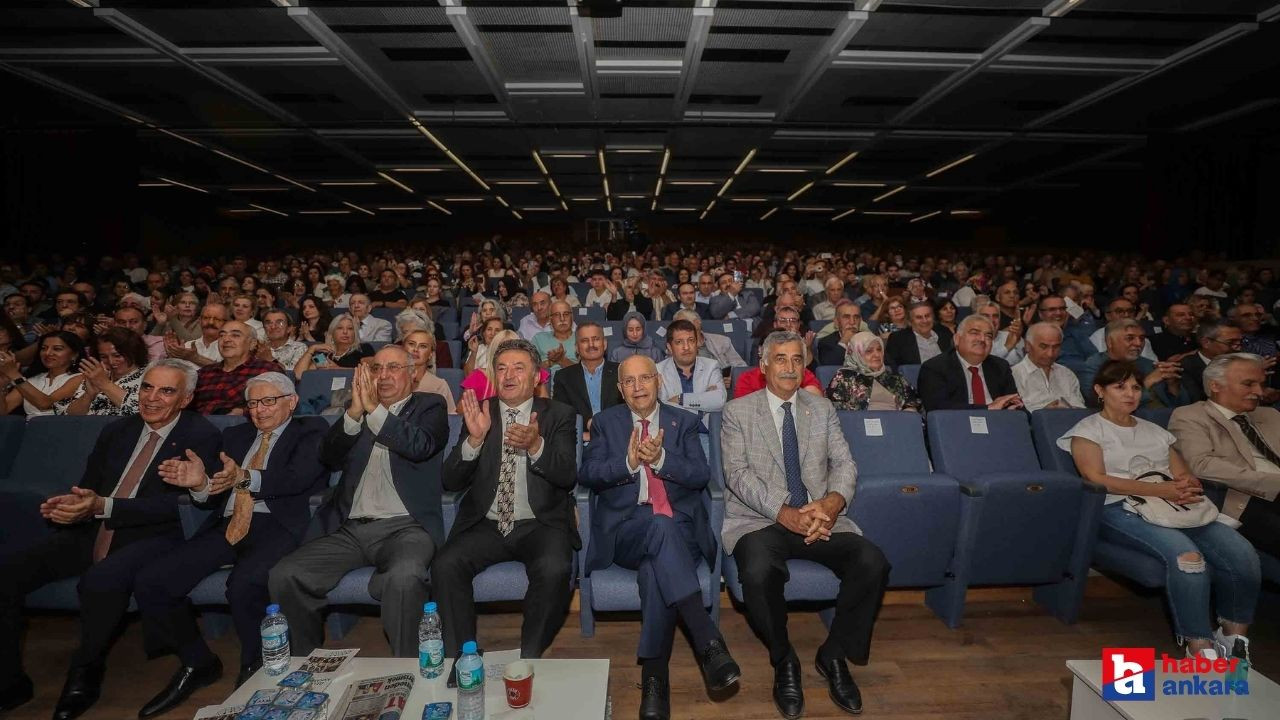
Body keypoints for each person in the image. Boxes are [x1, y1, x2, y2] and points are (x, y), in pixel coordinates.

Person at [0, 360, 219, 718]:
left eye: (166, 391)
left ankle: (85, 671)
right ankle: (10, 682)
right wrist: (75, 503)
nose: (152, 398)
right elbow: (90, 485)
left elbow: (177, 506)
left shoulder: (201, 435)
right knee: (6, 571)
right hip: (95, 526)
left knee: (100, 580)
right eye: (147, 387)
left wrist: (103, 506)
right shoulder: (117, 430)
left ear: (186, 399)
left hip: (156, 534)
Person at [133, 373, 330, 716]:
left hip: (277, 524)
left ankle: (255, 666)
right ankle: (197, 661)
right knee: (153, 580)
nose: (260, 410)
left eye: (269, 401)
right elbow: (213, 486)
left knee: (245, 584)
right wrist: (200, 484)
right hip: (227, 523)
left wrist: (244, 477)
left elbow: (297, 478)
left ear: (291, 402)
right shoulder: (235, 435)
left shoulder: (310, 431)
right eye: (253, 403)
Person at [721, 330, 888, 719]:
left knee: (872, 561)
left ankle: (833, 654)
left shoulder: (823, 410)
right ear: (763, 366)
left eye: (797, 359)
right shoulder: (738, 412)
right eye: (780, 359)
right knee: (759, 570)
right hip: (761, 520)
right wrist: (784, 513)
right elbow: (737, 474)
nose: (789, 367)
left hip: (818, 517)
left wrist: (830, 504)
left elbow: (845, 465)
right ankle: (784, 659)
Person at [1060, 359, 1259, 662]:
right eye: (1120, 387)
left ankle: (1233, 637)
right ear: (1100, 391)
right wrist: (1161, 490)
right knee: (1188, 559)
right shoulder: (1087, 431)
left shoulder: (1155, 431)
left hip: (1171, 506)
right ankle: (1198, 645)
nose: (1130, 394)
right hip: (1117, 509)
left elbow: (1181, 474)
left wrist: (1187, 486)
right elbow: (1097, 480)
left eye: (1136, 387)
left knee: (1242, 553)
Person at [579, 355, 740, 720]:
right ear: (620, 389)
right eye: (630, 381)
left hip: (681, 529)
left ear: (658, 382)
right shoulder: (606, 423)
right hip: (627, 530)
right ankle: (706, 639)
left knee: (656, 569)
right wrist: (629, 464)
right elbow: (587, 472)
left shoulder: (683, 422)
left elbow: (701, 475)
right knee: (658, 526)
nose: (638, 387)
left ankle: (655, 678)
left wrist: (663, 458)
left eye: (645, 378)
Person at [268, 348, 450, 658]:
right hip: (349, 528)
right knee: (285, 574)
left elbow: (420, 446)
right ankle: (304, 661)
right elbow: (328, 456)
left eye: (393, 367)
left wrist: (376, 411)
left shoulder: (430, 406)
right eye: (377, 368)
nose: (384, 375)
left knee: (404, 578)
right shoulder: (356, 411)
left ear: (413, 374)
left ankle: (406, 666)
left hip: (406, 527)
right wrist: (353, 413)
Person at [435, 339, 579, 658]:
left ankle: (529, 654)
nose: (509, 375)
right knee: (445, 564)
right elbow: (450, 479)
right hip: (486, 523)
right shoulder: (480, 413)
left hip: (539, 522)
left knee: (555, 568)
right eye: (501, 368)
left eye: (518, 368)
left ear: (537, 376)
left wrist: (536, 446)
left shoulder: (559, 415)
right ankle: (461, 658)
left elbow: (567, 474)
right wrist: (474, 439)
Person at [1171, 353, 1280, 559]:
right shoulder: (1190, 416)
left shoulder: (1270, 415)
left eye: (1260, 384)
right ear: (1215, 386)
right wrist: (1275, 483)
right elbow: (1202, 465)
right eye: (1248, 384)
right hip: (1246, 500)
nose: (1258, 392)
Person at [916, 314, 1022, 411]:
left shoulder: (1000, 366)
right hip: (959, 427)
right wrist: (988, 408)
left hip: (998, 425)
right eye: (975, 333)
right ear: (957, 339)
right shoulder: (935, 368)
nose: (982, 339)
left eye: (988, 336)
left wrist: (1014, 408)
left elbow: (1014, 403)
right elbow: (938, 409)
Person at [1080, 320, 1188, 407]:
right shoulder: (1093, 365)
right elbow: (1097, 404)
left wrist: (1173, 386)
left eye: (1142, 338)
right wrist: (1147, 382)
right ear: (1109, 342)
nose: (1138, 343)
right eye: (1130, 338)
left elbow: (1181, 407)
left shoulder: (1150, 365)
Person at [191, 321, 282, 415]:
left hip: (243, 425)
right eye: (222, 335)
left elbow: (279, 404)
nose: (226, 339)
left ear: (252, 344)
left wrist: (242, 412)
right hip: (197, 425)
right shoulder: (203, 373)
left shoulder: (267, 370)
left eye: (235, 335)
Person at [58, 327, 148, 416]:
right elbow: (67, 415)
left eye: (117, 355)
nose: (111, 362)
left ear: (134, 352)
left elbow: (142, 410)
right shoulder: (97, 376)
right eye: (104, 357)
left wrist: (105, 385)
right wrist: (88, 396)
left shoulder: (148, 376)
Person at [826, 331, 921, 412]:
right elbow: (835, 411)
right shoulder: (843, 378)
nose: (876, 355)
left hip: (896, 428)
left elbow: (914, 403)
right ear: (856, 353)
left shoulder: (895, 378)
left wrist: (910, 410)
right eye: (869, 351)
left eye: (879, 350)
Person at [655, 319, 726, 427]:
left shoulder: (711, 366)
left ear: (697, 343)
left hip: (704, 433)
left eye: (691, 340)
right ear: (669, 347)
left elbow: (719, 400)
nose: (686, 347)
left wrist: (680, 399)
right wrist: (703, 403)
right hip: (673, 431)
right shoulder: (658, 370)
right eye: (679, 342)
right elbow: (664, 408)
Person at [552, 322, 621, 431]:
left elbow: (627, 411)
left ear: (605, 344)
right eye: (584, 341)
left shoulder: (621, 372)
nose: (591, 345)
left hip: (615, 436)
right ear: (577, 348)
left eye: (596, 339)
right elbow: (561, 416)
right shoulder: (563, 377)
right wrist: (581, 435)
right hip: (579, 441)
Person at [1, 330, 83, 416]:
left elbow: (45, 404)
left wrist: (14, 374)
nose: (48, 353)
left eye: (57, 349)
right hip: (29, 427)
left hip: (61, 427)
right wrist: (2, 387)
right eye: (44, 348)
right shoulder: (31, 380)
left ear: (74, 355)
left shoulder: (81, 377)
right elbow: (4, 410)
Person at [1011, 323, 1086, 411]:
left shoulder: (1067, 374)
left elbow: (1081, 410)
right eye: (1044, 347)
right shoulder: (1014, 375)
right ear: (1027, 346)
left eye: (1056, 347)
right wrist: (1043, 413)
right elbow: (1015, 416)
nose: (1050, 353)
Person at [1181, 321, 1244, 403]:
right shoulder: (1186, 366)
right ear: (1206, 343)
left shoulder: (1243, 363)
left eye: (1240, 342)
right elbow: (1197, 401)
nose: (1238, 348)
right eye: (1230, 342)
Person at [294, 315, 375, 377]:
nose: (345, 332)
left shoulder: (363, 349)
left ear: (355, 333)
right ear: (332, 332)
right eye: (339, 328)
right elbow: (299, 375)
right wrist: (312, 349)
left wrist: (339, 369)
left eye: (350, 328)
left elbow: (373, 372)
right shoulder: (324, 355)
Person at [884, 301, 953, 369]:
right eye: (919, 317)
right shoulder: (898, 339)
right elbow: (892, 368)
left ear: (933, 318)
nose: (925, 321)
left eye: (927, 316)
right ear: (910, 321)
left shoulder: (945, 333)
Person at [404, 329, 456, 413]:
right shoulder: (390, 379)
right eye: (411, 344)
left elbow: (451, 420)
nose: (416, 349)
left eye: (423, 346)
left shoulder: (439, 385)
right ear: (403, 348)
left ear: (430, 354)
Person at [1088, 298, 1157, 362]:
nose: (1126, 315)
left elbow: (1152, 365)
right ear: (1108, 316)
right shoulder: (1098, 336)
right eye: (1119, 311)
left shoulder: (1141, 338)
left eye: (1130, 311)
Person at [165, 302, 226, 368]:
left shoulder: (229, 346)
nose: (210, 322)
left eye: (217, 319)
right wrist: (173, 355)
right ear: (200, 321)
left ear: (226, 323)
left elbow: (227, 371)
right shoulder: (187, 346)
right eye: (206, 318)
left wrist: (195, 358)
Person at [533, 300, 578, 377]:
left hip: (575, 385)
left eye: (566, 314)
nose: (562, 318)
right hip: (547, 385)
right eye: (557, 315)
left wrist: (562, 360)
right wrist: (550, 362)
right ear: (550, 319)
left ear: (572, 317)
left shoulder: (582, 338)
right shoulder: (538, 339)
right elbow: (530, 370)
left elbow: (587, 373)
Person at [257, 309, 307, 373]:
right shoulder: (258, 348)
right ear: (264, 328)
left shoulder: (299, 348)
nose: (273, 326)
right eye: (268, 323)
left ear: (289, 328)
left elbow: (293, 376)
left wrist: (271, 360)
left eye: (279, 322)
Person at [815, 300, 864, 366]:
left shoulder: (868, 339)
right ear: (836, 322)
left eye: (856, 317)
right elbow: (828, 366)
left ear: (860, 321)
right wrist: (844, 341)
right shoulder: (826, 342)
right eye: (846, 317)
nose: (852, 322)